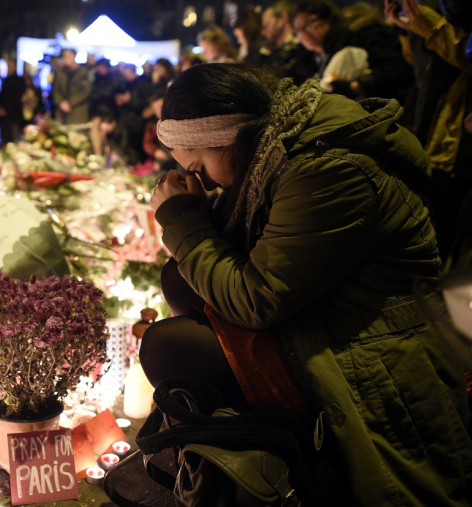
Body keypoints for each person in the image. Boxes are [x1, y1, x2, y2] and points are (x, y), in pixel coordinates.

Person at [141, 63, 472, 505]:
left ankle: (254, 469)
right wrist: (195, 216)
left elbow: (257, 299)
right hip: (323, 317)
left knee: (168, 344)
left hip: (369, 346)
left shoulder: (330, 170)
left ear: (231, 135)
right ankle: (229, 464)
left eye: (200, 167)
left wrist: (182, 221)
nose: (203, 182)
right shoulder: (273, 156)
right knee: (178, 282)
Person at [386, 0, 472, 265]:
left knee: (453, 228)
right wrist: (408, 28)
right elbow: (427, 67)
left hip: (457, 139)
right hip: (439, 124)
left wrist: (425, 23)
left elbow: (465, 53)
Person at [293, 0, 413, 101]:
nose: (304, 34)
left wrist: (354, 87)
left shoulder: (361, 36)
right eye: (298, 31)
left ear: (328, 20)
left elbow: (397, 70)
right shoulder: (307, 63)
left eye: (308, 25)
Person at [261, 0, 318, 83]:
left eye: (267, 24)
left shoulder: (301, 54)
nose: (263, 31)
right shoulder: (274, 53)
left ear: (283, 18)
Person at [51, 48, 91, 125]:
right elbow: (56, 91)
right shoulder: (61, 73)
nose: (66, 58)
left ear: (74, 56)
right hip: (61, 113)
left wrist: (70, 103)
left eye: (68, 56)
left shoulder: (83, 72)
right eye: (64, 56)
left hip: (77, 113)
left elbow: (86, 91)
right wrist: (61, 103)